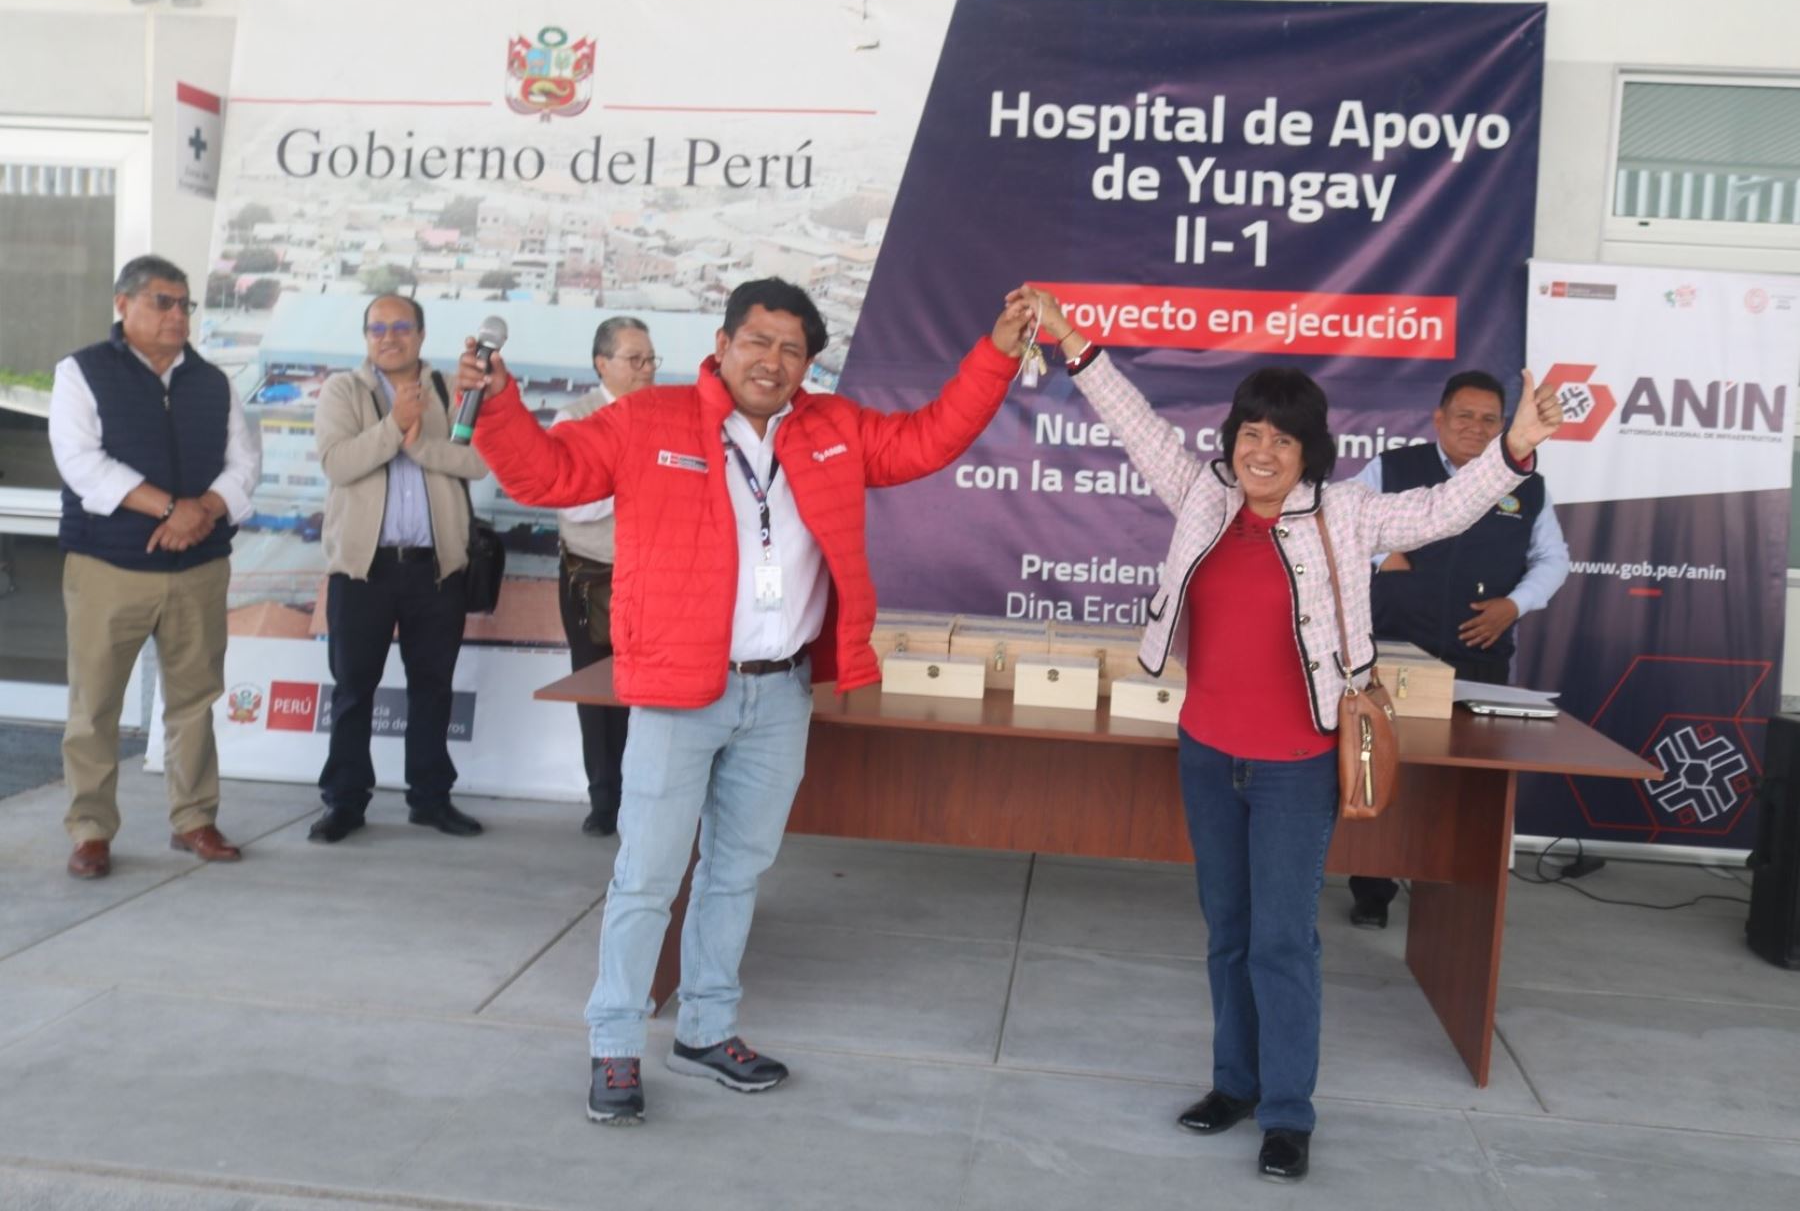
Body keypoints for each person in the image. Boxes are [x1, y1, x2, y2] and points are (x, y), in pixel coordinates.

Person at [1014, 285, 1560, 1183]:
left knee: (1282, 939)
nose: (1261, 450)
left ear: (1310, 452)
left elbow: (1443, 510)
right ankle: (1232, 1084)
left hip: (1297, 764)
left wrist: (1514, 448)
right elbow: (1131, 417)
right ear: (1232, 439)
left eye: (1282, 438)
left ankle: (1288, 1113)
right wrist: (1074, 341)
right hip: (1207, 751)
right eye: (1250, 433)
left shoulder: (1344, 513)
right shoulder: (1202, 495)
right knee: (1225, 930)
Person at [460, 277, 1030, 1126]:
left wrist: (997, 355)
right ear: (722, 344)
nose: (773, 361)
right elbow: (549, 472)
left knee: (736, 873)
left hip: (780, 693)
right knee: (647, 877)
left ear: (808, 365)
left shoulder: (834, 428)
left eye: (793, 350)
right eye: (758, 342)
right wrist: (500, 401)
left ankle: (706, 1027)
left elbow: (928, 440)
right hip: (681, 689)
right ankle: (614, 1045)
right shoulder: (648, 419)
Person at [49, 254, 261, 879]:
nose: (176, 315)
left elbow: (243, 462)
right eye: (161, 302)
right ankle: (90, 831)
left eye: (183, 304)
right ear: (124, 305)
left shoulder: (213, 381)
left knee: (194, 700)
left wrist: (202, 512)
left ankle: (193, 819)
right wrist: (174, 507)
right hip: (107, 568)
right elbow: (81, 463)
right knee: (96, 705)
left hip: (199, 568)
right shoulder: (82, 372)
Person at [1345, 369, 1570, 928]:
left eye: (1490, 419)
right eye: (1464, 416)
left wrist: (1514, 606)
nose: (1476, 427)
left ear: (1504, 427)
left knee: (1462, 786)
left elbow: (1553, 560)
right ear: (1439, 418)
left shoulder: (1527, 484)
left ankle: (1452, 896)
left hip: (1479, 654)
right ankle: (1372, 892)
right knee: (1382, 772)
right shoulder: (1393, 468)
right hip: (1396, 648)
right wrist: (1383, 558)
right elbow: (1340, 523)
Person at [307, 295, 491, 844]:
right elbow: (338, 463)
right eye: (377, 328)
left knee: (433, 687)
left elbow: (480, 461)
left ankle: (430, 799)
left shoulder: (450, 390)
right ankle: (344, 802)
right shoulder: (344, 390)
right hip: (363, 572)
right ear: (366, 336)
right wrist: (395, 427)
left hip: (436, 571)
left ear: (422, 333)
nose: (389, 337)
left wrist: (419, 446)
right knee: (353, 689)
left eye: (401, 327)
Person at [554, 316, 658, 837]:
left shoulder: (664, 415)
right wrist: (635, 477)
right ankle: (604, 800)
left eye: (650, 360)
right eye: (634, 360)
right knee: (598, 694)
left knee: (656, 695)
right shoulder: (574, 418)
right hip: (593, 578)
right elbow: (576, 506)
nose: (646, 371)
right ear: (602, 363)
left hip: (657, 578)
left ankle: (647, 799)